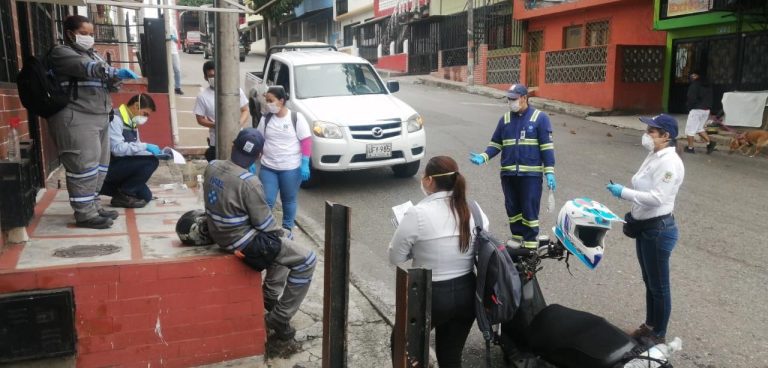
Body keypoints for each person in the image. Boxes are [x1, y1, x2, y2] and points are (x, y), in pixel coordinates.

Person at [203, 128, 316, 341]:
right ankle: (279, 318)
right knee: (306, 259)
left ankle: (269, 296)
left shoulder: (212, 167)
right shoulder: (249, 181)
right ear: (259, 156)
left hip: (218, 233)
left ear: (233, 146)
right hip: (241, 242)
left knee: (285, 243)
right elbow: (267, 225)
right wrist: (283, 232)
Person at [388, 156, 489, 368]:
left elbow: (396, 257)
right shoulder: (475, 209)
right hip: (467, 292)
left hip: (429, 294)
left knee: (404, 347)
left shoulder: (417, 213)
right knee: (451, 357)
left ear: (430, 180)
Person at [47, 15, 139, 229]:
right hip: (76, 116)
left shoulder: (94, 55)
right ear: (70, 34)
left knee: (100, 165)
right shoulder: (62, 52)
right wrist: (111, 71)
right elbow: (85, 68)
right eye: (84, 34)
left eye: (91, 34)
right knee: (83, 166)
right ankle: (84, 214)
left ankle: (94, 205)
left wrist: (115, 79)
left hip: (100, 115)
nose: (89, 38)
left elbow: (109, 83)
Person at [605, 114, 684, 347]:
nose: (646, 135)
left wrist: (623, 192)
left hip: (658, 230)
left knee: (659, 286)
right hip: (645, 227)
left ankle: (658, 334)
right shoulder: (655, 155)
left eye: (651, 131)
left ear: (666, 136)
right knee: (649, 281)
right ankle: (649, 326)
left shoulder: (669, 162)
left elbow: (658, 198)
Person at [469, 83, 555, 249]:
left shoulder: (540, 118)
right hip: (508, 175)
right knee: (512, 208)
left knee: (529, 208)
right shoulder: (505, 120)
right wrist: (484, 156)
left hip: (530, 176)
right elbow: (496, 143)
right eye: (509, 99)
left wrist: (549, 171)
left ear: (524, 98)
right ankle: (517, 238)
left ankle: (530, 244)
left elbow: (547, 147)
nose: (511, 102)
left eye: (514, 99)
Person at [255, 86, 312, 240]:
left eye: (271, 101)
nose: (268, 104)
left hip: (290, 169)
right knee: (267, 199)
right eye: (266, 101)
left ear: (281, 100)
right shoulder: (265, 119)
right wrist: (252, 159)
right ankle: (266, 228)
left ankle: (287, 229)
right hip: (269, 168)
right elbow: (258, 140)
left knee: (289, 200)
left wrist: (305, 162)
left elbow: (306, 141)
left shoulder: (296, 118)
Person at [101, 93, 161, 208]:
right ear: (136, 106)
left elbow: (136, 148)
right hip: (110, 167)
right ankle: (123, 194)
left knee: (145, 197)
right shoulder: (116, 119)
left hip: (122, 167)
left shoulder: (132, 122)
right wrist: (145, 146)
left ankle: (119, 191)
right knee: (152, 162)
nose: (145, 118)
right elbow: (117, 149)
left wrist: (156, 153)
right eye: (145, 114)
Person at [193, 61, 249, 161]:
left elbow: (245, 110)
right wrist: (217, 125)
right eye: (210, 76)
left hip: (237, 139)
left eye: (216, 75)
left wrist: (238, 124)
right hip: (216, 142)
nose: (214, 78)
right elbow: (200, 119)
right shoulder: (202, 97)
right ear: (205, 77)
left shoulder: (236, 91)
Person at [684, 71, 716, 154]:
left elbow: (691, 98)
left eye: (694, 75)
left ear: (698, 76)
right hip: (706, 110)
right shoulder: (708, 85)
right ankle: (710, 143)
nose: (692, 76)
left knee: (690, 130)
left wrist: (689, 107)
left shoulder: (695, 85)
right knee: (699, 128)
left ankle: (690, 148)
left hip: (696, 110)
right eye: (692, 75)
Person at [169, 25, 183, 95]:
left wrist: (173, 37)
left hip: (174, 52)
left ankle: (177, 88)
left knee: (177, 70)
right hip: (165, 52)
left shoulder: (172, 27)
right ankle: (167, 87)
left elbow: (177, 41)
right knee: (166, 71)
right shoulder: (160, 26)